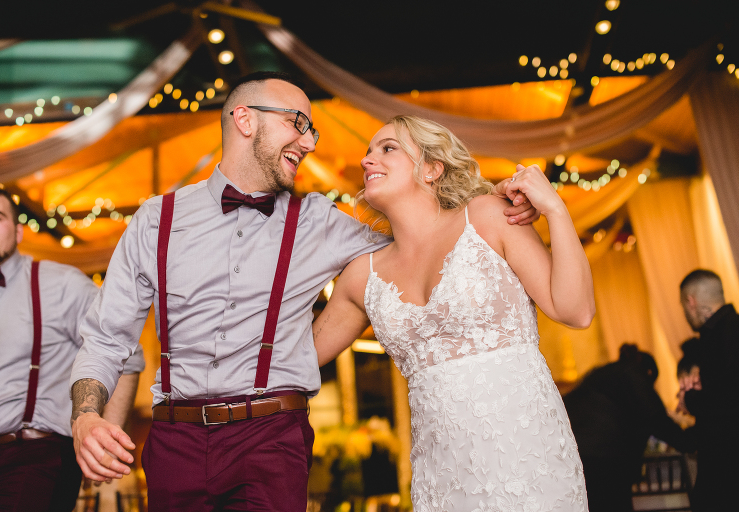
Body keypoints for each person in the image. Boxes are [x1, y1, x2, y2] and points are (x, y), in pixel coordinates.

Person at [68, 72, 539, 511]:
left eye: (312, 131)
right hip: (176, 443)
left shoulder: (319, 221)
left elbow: (423, 242)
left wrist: (494, 205)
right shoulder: (156, 219)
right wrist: (86, 417)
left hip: (271, 439)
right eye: (297, 123)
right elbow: (108, 337)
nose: (310, 142)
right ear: (245, 119)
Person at [313, 115, 594, 511]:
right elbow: (297, 359)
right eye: (368, 152)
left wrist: (556, 210)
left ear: (432, 168)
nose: (366, 160)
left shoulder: (486, 217)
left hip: (527, 460)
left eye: (388, 148)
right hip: (440, 479)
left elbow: (576, 311)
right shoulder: (363, 274)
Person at [0, 182, 144, 512]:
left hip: (33, 458)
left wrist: (104, 438)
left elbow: (127, 353)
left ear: (19, 232)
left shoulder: (60, 284)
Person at [563, 344, 689, 512]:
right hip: (603, 459)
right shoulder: (633, 374)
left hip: (577, 455)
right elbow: (654, 416)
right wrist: (689, 441)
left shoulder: (602, 374)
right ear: (649, 372)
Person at [678, 269, 739, 512]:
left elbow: (726, 399)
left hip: (726, 459)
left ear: (690, 301)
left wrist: (689, 399)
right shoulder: (728, 329)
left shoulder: (719, 335)